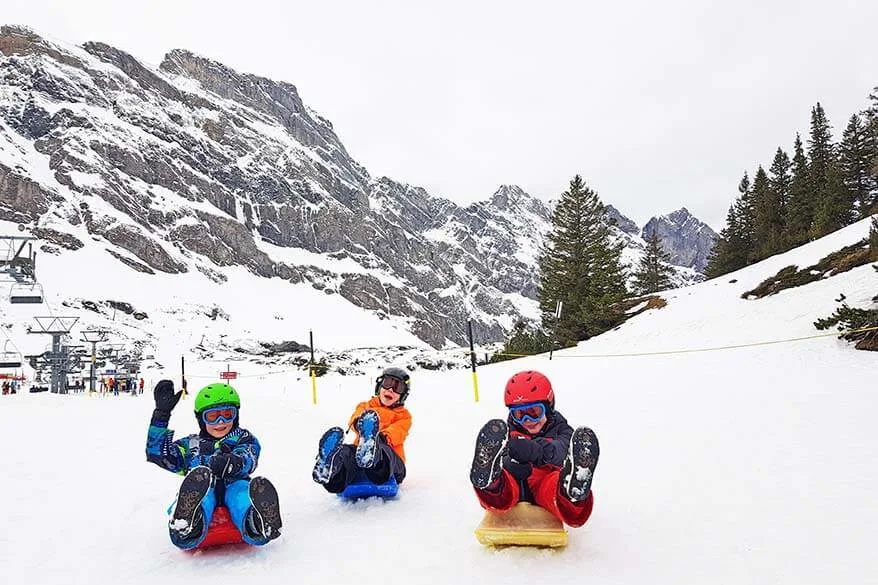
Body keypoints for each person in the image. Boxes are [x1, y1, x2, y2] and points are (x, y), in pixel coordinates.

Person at [145, 380, 282, 549]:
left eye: (227, 414)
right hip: (203, 486)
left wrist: (235, 463)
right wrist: (161, 416)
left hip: (234, 483)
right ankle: (188, 523)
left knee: (241, 494)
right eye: (212, 416)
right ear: (201, 419)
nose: (220, 421)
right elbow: (159, 455)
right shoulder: (192, 445)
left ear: (236, 415)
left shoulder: (242, 438)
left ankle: (257, 522)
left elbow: (250, 456)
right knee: (203, 496)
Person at [469, 370, 599, 528]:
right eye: (519, 414)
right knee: (505, 483)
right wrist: (509, 462)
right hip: (515, 485)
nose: (527, 420)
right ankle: (491, 481)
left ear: (549, 405)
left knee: (553, 486)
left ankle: (572, 491)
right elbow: (502, 455)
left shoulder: (561, 429)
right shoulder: (507, 434)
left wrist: (540, 451)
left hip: (544, 481)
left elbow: (563, 449)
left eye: (534, 412)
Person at [312, 367, 412, 493]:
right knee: (347, 452)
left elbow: (398, 431)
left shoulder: (404, 415)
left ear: (403, 395)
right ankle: (332, 467)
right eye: (387, 384)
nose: (390, 390)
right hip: (359, 458)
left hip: (391, 465)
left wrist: (381, 437)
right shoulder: (366, 406)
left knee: (382, 449)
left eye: (397, 387)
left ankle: (372, 450)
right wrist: (359, 424)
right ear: (379, 386)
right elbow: (355, 417)